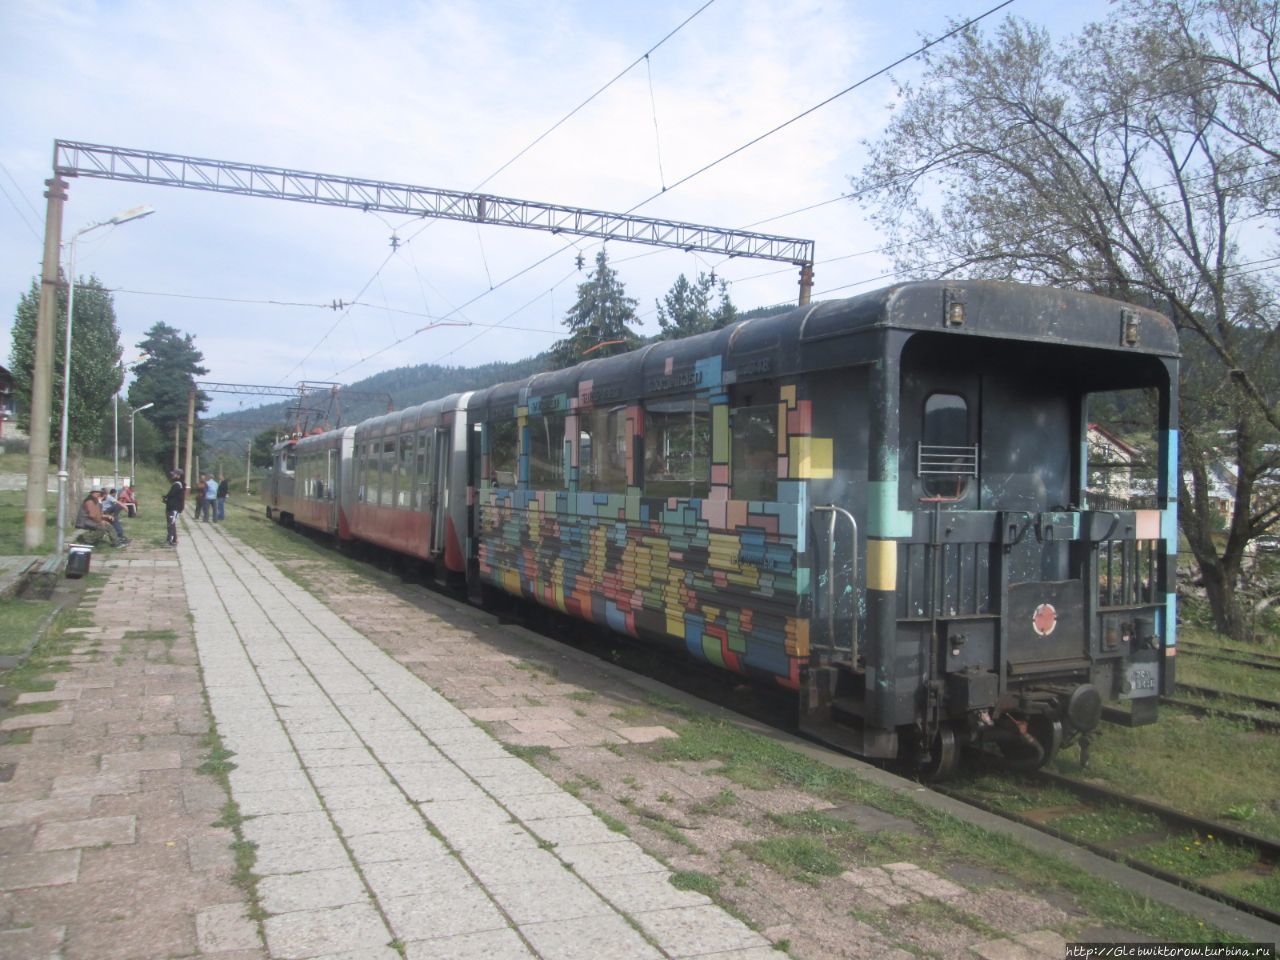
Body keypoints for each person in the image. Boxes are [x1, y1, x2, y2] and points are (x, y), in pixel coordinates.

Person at [163, 469, 185, 546]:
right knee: (172, 523)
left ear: (178, 476)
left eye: (174, 474)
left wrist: (166, 498)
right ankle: (174, 539)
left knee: (171, 524)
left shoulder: (177, 484)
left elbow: (172, 495)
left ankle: (170, 540)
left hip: (173, 507)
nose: (172, 476)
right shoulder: (177, 484)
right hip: (172, 507)